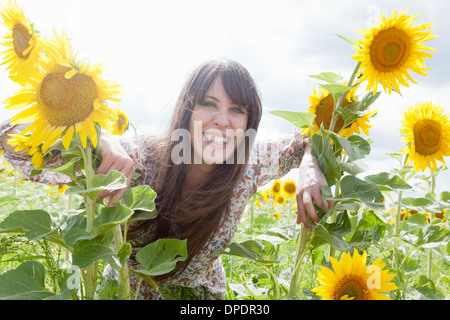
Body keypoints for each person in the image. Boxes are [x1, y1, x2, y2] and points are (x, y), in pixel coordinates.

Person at [0, 58, 331, 299]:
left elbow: (306, 139)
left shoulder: (250, 164)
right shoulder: (140, 161)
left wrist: (311, 163)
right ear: (187, 111)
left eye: (237, 110)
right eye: (208, 104)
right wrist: (93, 135)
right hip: (126, 292)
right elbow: (15, 143)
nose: (222, 121)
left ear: (249, 123)